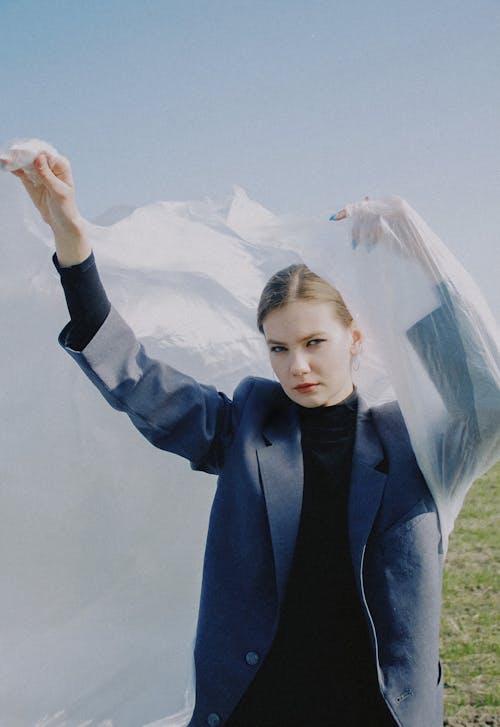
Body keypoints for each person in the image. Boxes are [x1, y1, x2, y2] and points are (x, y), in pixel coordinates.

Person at [11, 151, 499, 727]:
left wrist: (411, 248)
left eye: (315, 342)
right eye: (279, 348)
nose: (297, 366)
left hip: (380, 712)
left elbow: (484, 399)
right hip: (260, 704)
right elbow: (138, 379)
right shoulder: (246, 423)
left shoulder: (414, 442)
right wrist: (71, 235)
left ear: (356, 337)